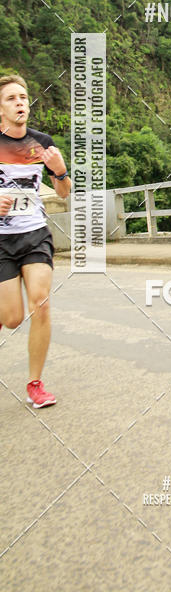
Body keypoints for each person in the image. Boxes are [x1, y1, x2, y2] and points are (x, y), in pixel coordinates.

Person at [0, 74, 71, 407]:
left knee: (40, 304)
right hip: (1, 239)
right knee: (12, 318)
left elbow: (64, 193)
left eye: (24, 98)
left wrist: (59, 171)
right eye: (12, 98)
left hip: (35, 233)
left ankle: (35, 384)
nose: (20, 103)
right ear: (1, 108)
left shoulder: (42, 141)